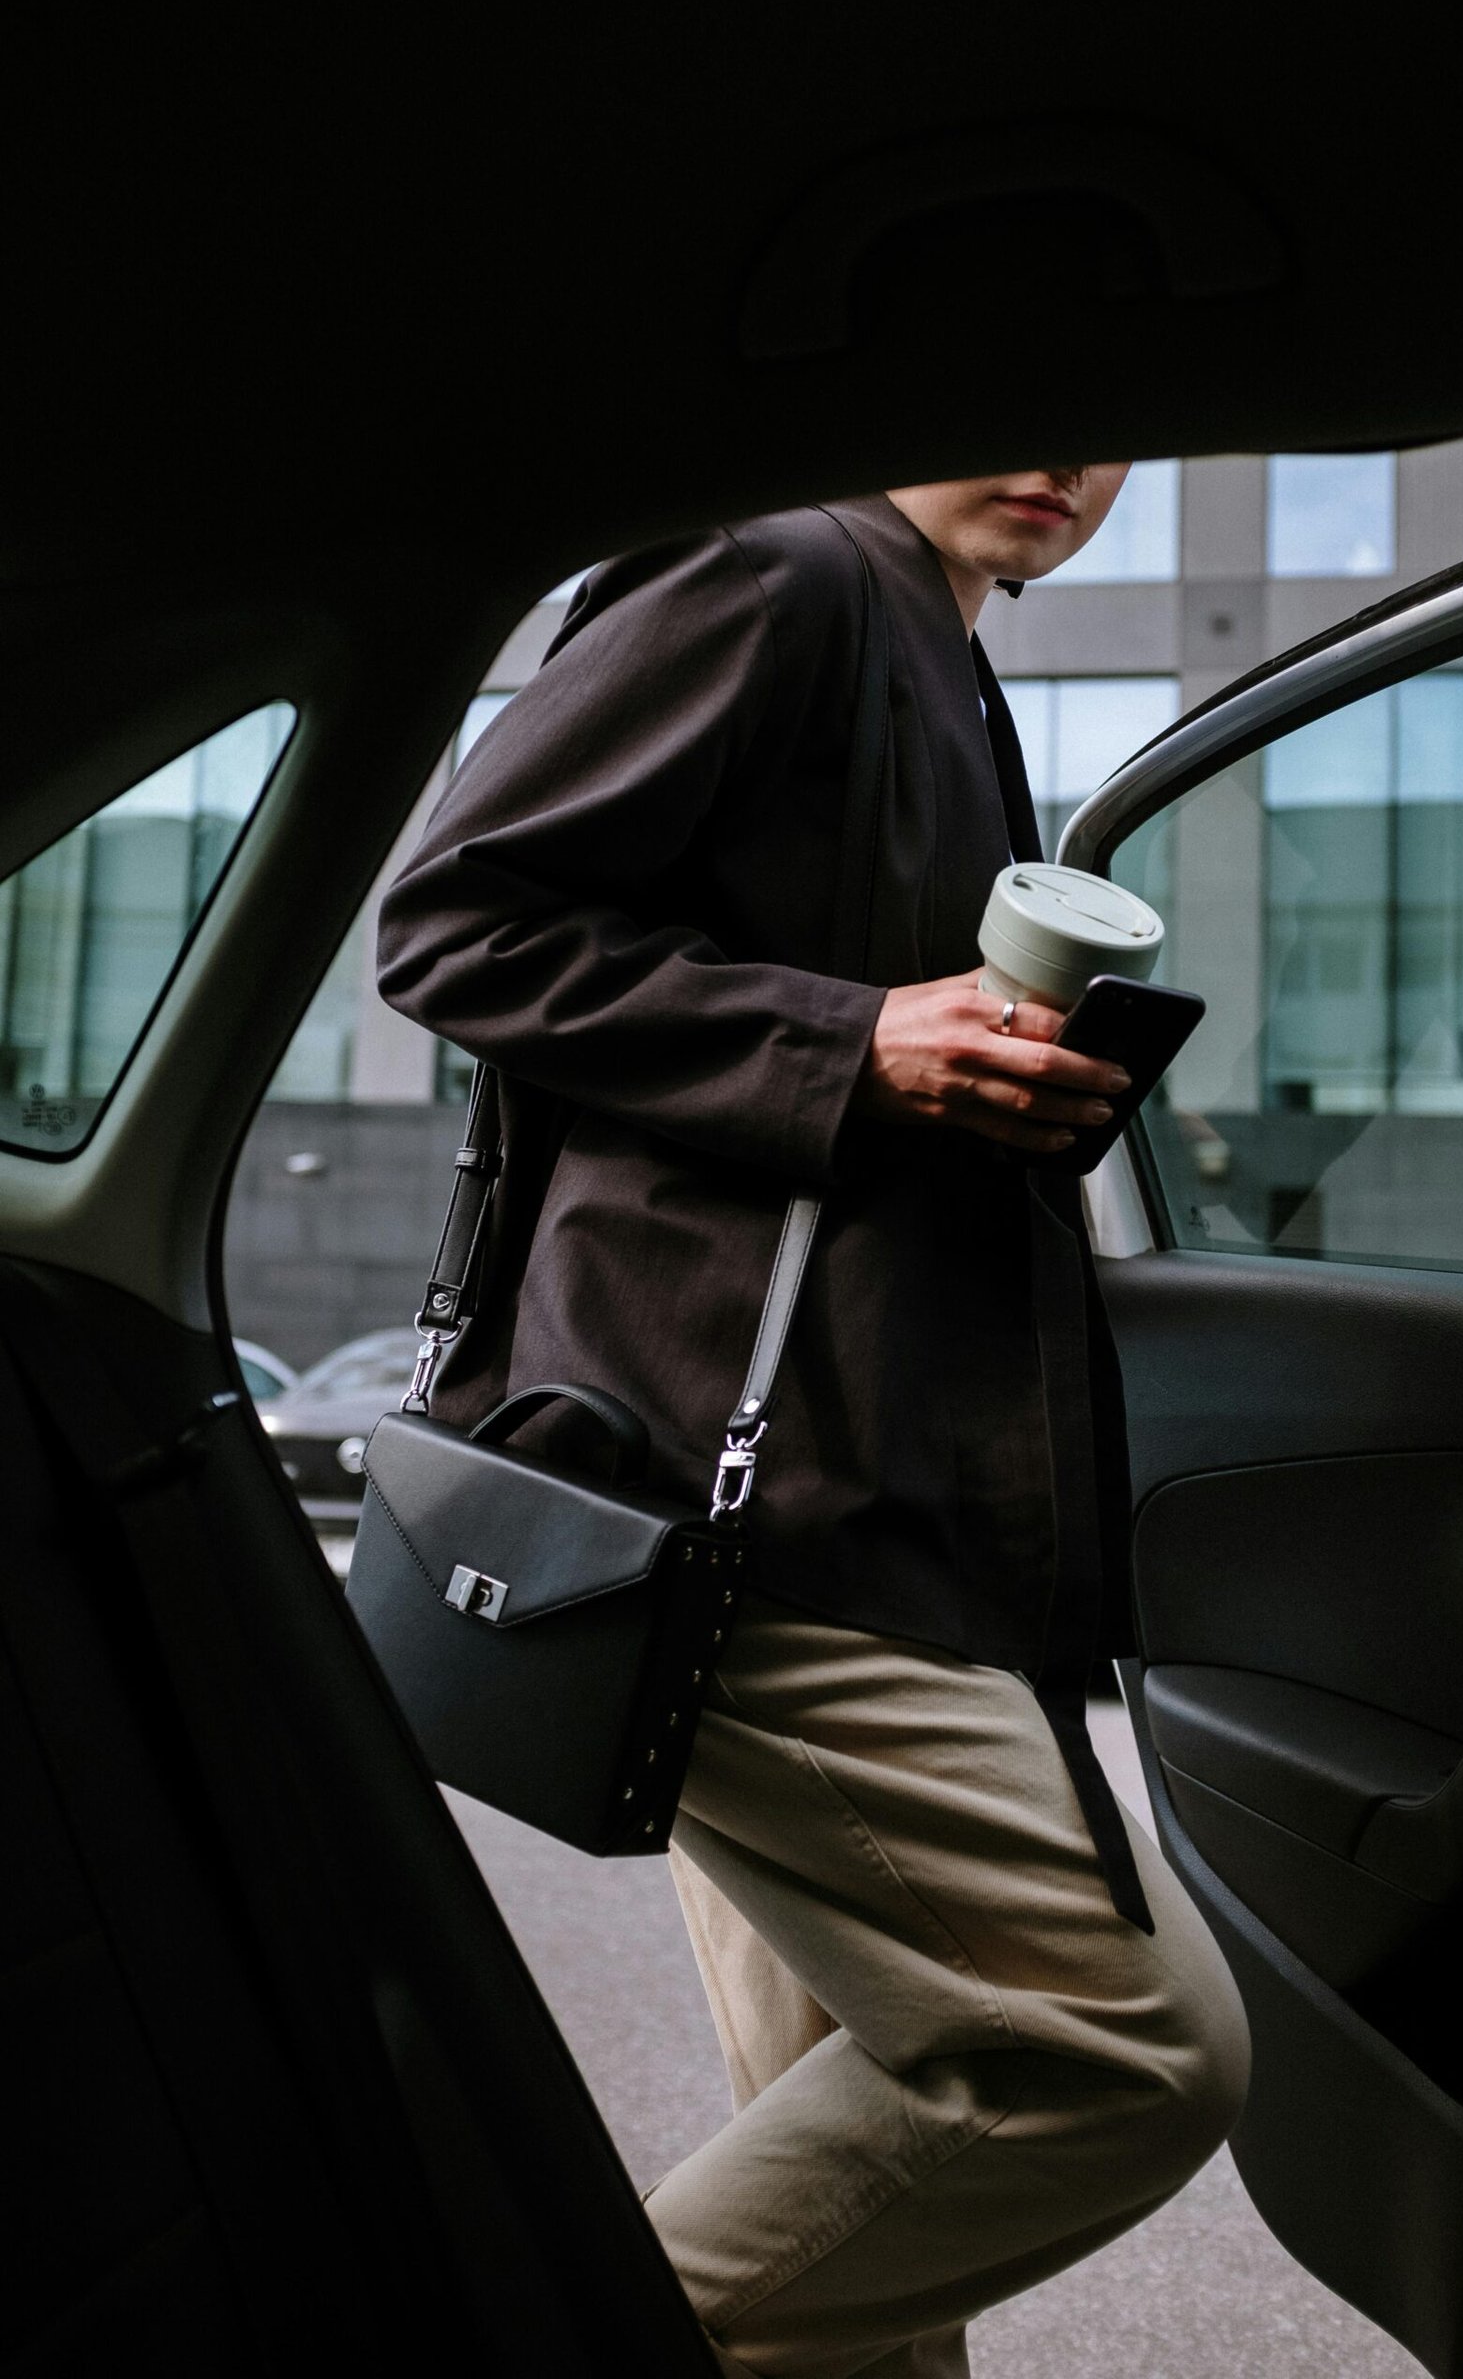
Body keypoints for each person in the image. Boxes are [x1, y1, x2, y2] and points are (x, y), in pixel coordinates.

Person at [375, 472, 1250, 2377]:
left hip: (832, 1474)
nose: (1068, 454)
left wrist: (964, 1073)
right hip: (739, 1482)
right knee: (1120, 2043)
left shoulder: (939, 640)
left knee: (872, 2198)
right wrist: (852, 1043)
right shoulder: (772, 568)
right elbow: (452, 927)